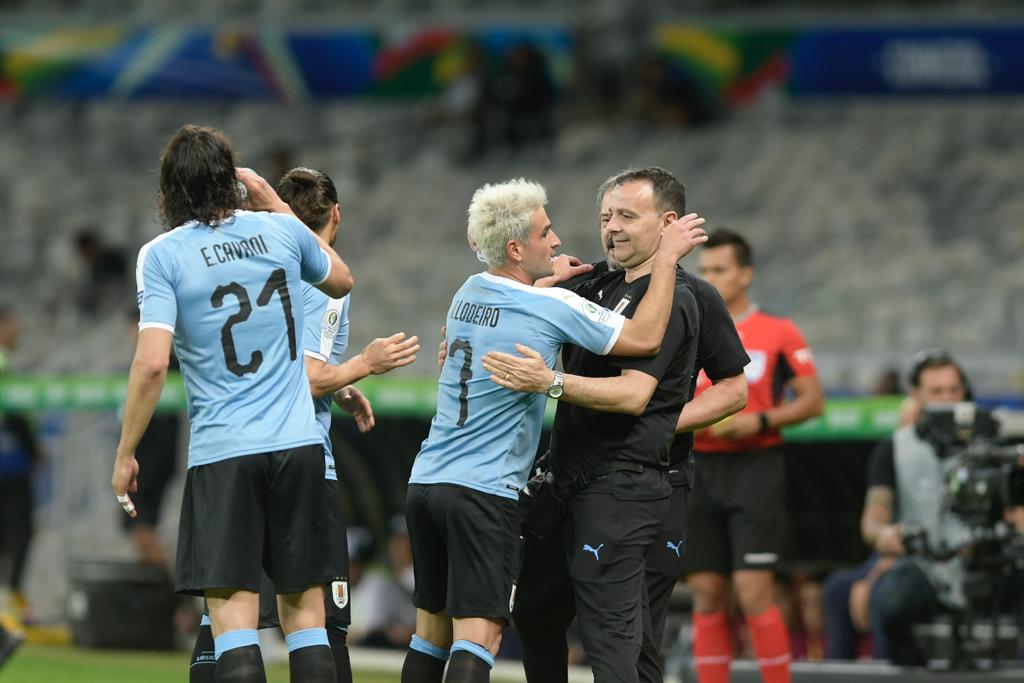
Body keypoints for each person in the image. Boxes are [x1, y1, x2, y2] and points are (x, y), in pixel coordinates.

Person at [402, 177, 706, 683]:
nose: (559, 241)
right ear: (517, 248)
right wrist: (669, 260)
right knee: (479, 638)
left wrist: (541, 280)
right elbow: (646, 335)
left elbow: (511, 305)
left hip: (426, 482)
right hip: (484, 493)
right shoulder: (552, 307)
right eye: (546, 233)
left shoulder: (466, 292)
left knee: (429, 635)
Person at [481, 170, 747, 683]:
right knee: (536, 613)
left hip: (644, 484)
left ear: (668, 223)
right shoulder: (592, 283)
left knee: (629, 638)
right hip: (567, 481)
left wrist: (658, 424)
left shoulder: (691, 296)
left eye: (627, 215)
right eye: (606, 217)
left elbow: (733, 390)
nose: (612, 228)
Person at [111, 125, 352, 683]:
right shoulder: (279, 232)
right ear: (232, 177)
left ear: (169, 189)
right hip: (298, 445)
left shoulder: (162, 255)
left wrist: (126, 451)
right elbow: (340, 278)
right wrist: (275, 206)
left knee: (235, 625)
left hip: (223, 452)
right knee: (307, 622)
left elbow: (150, 364)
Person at [188, 166, 420, 683]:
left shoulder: (257, 263)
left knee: (224, 620)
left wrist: (341, 387)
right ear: (337, 214)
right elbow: (309, 377)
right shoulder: (323, 277)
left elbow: (280, 362)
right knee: (319, 626)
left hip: (231, 457)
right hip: (300, 462)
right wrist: (365, 363)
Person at [684, 228, 825, 683]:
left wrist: (760, 421)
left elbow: (812, 401)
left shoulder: (779, 331)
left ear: (745, 275)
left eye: (719, 269)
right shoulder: (687, 329)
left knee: (753, 589)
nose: (708, 278)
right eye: (703, 270)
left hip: (755, 467)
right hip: (698, 468)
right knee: (706, 591)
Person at [0, 306, 39, 669]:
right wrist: (35, 450)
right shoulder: (5, 364)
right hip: (9, 467)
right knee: (20, 536)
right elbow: (16, 413)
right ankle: (8, 616)